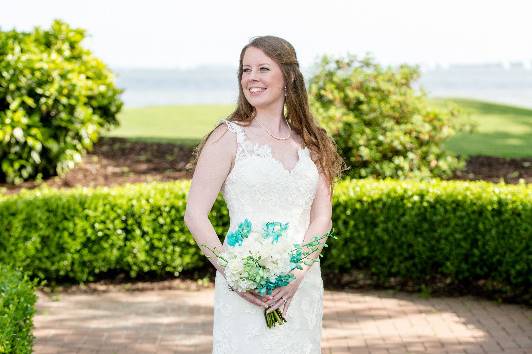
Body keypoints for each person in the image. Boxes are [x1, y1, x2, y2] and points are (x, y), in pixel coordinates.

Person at [184, 35, 346, 354]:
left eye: (262, 68)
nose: (252, 78)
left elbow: (322, 217)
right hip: (245, 285)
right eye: (246, 70)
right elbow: (195, 214)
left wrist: (298, 272)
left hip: (301, 284)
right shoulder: (227, 138)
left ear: (288, 77)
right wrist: (230, 270)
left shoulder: (314, 142)